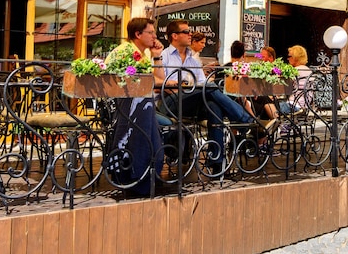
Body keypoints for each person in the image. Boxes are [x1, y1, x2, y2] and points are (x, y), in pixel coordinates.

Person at [158, 20, 263, 172]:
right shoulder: (163, 56)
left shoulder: (192, 59)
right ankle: (245, 119)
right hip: (172, 102)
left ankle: (217, 162)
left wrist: (195, 88)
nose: (190, 34)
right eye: (186, 32)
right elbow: (161, 84)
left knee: (214, 106)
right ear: (174, 36)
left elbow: (202, 83)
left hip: (195, 101)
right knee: (209, 88)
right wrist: (179, 86)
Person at [103, 17, 164, 197]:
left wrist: (157, 56)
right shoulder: (127, 52)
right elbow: (152, 81)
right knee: (150, 128)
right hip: (122, 109)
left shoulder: (141, 54)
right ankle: (139, 178)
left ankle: (145, 177)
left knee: (157, 127)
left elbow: (158, 79)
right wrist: (170, 82)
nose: (155, 36)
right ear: (138, 34)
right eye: (150, 32)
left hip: (139, 105)